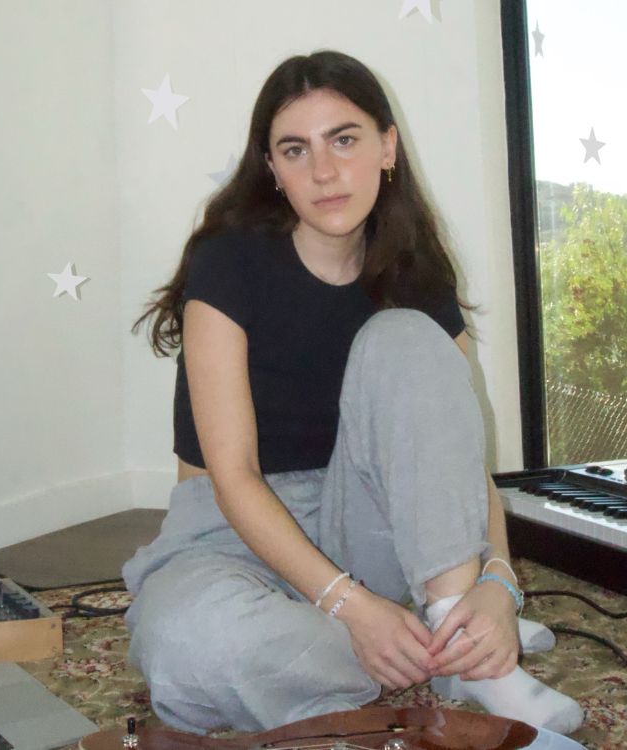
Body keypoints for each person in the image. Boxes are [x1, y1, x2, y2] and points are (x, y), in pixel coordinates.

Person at [124, 50, 583, 737]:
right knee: (192, 651)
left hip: (367, 525)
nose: (325, 171)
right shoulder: (227, 263)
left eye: (344, 139)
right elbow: (234, 478)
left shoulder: (416, 276)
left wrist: (497, 583)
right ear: (272, 169)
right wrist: (351, 609)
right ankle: (438, 649)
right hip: (227, 535)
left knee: (403, 335)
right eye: (295, 149)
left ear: (387, 146)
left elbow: (452, 460)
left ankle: (459, 638)